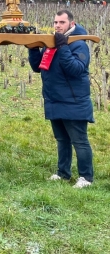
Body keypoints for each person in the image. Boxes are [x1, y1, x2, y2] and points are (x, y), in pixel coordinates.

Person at [28, 10, 94, 188]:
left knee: (79, 141)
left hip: (74, 101)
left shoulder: (78, 44)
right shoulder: (51, 43)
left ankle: (86, 178)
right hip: (54, 99)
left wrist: (63, 47)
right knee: (62, 139)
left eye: (62, 22)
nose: (57, 25)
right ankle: (63, 173)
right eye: (56, 22)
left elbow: (75, 69)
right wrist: (33, 49)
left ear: (71, 24)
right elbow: (38, 67)